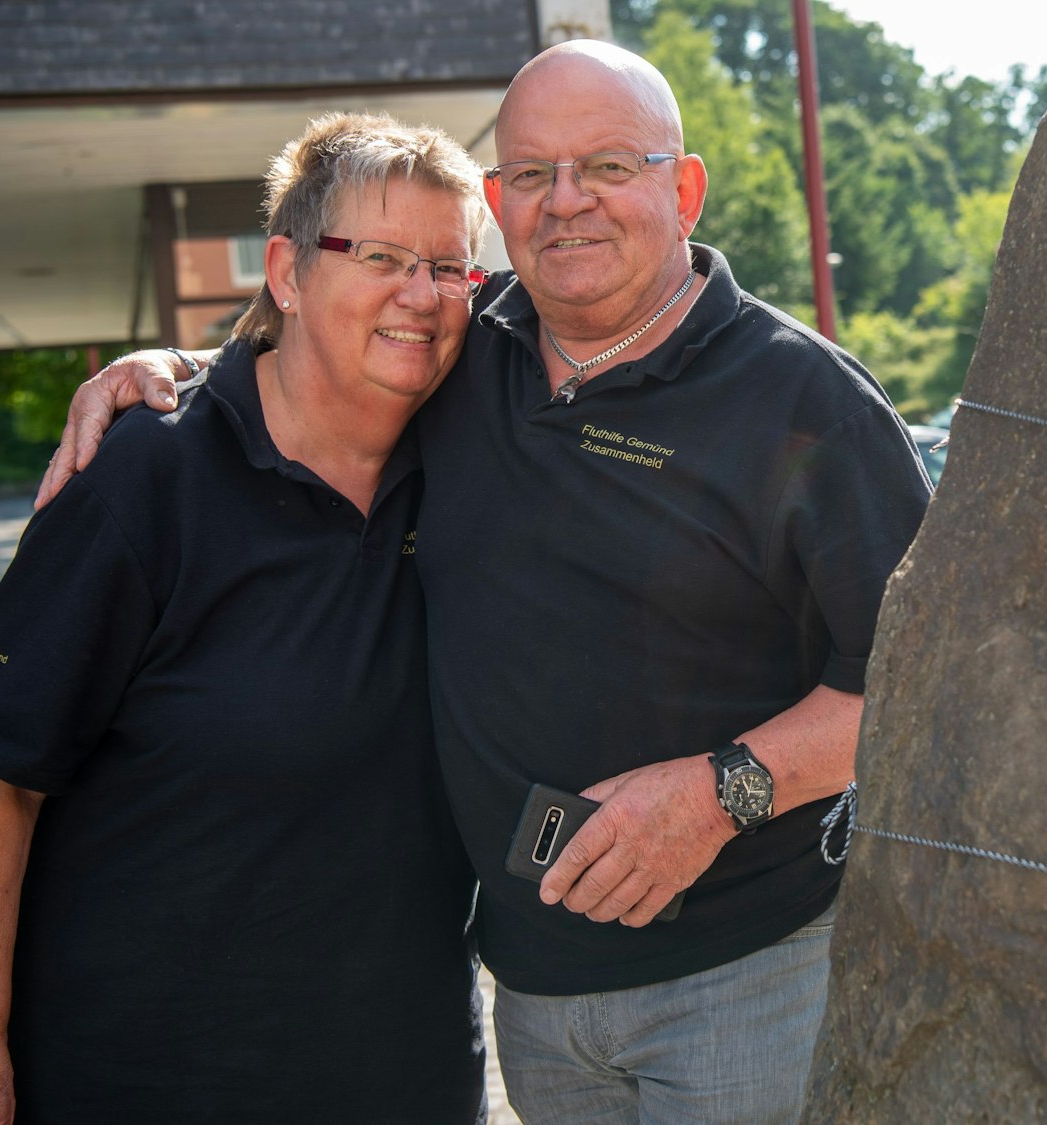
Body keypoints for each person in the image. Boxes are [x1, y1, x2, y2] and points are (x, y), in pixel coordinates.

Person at [46, 39, 932, 1123]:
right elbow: (326, 344)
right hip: (534, 1001)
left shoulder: (807, 404)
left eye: (607, 166)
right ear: (498, 202)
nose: (567, 204)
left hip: (749, 977)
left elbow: (923, 688)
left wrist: (717, 795)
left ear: (684, 189)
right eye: (530, 174)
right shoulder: (468, 348)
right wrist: (175, 370)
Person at [0, 113, 491, 1124]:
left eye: (448, 265)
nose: (421, 294)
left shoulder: (482, 453)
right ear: (288, 272)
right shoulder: (143, 478)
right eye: (381, 256)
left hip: (410, 1079)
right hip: (148, 1081)